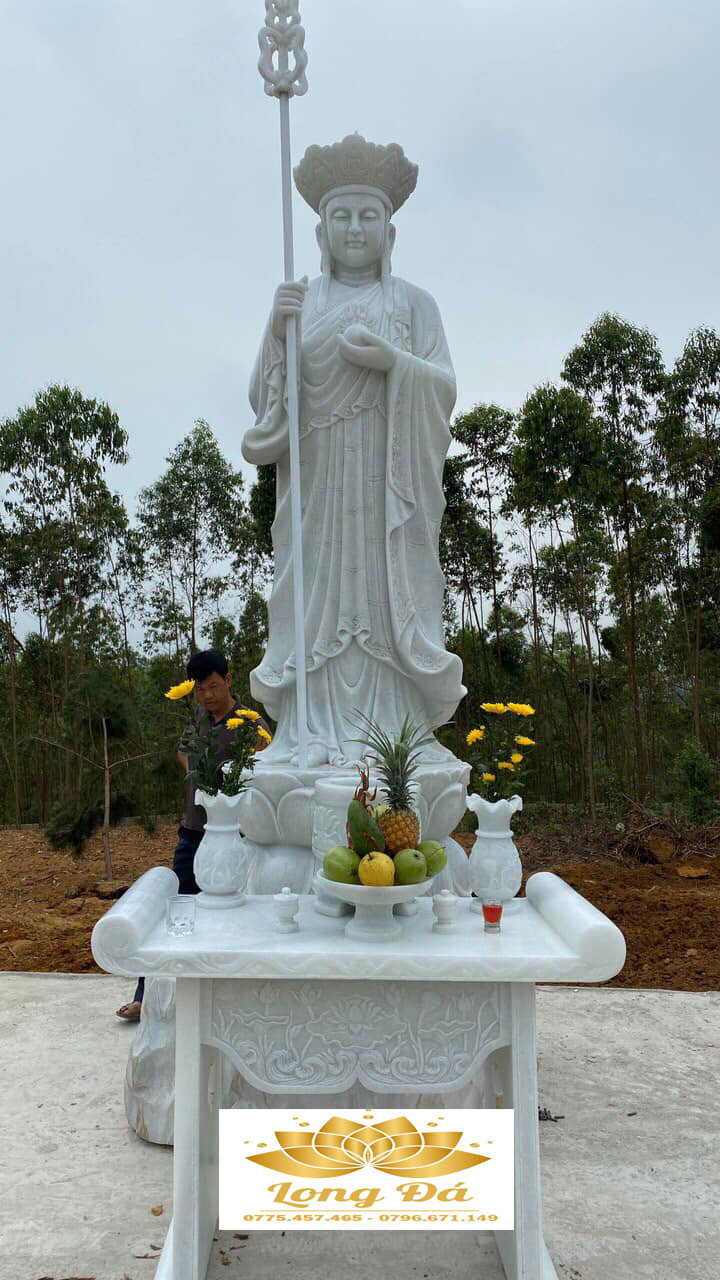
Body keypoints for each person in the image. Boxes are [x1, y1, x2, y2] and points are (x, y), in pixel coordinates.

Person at [241, 134, 466, 769]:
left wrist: (395, 363)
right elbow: (266, 402)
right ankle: (308, 729)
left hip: (386, 483)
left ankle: (397, 738)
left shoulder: (413, 304)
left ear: (389, 232)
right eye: (341, 216)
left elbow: (444, 386)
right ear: (321, 233)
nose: (355, 229)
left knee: (385, 599)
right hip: (319, 486)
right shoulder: (302, 302)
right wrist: (276, 329)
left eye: (368, 215)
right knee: (317, 599)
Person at [115, 649, 267, 1021]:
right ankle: (146, 996)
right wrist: (198, 776)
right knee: (176, 909)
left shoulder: (250, 723)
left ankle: (228, 1001)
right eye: (200, 689)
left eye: (213, 686)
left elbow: (268, 763)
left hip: (237, 837)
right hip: (194, 832)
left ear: (228, 680)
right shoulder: (196, 717)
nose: (207, 695)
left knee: (235, 917)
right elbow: (183, 752)